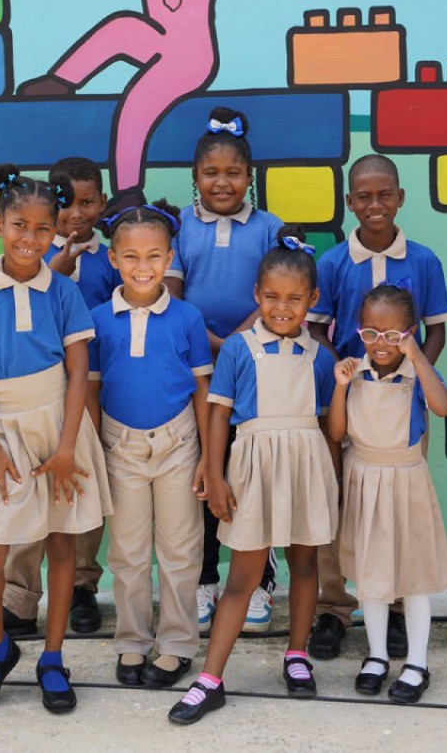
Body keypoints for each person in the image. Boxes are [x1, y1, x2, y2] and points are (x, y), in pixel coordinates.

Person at [0, 165, 112, 715]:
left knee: (61, 540)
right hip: (4, 427)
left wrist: (68, 447)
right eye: (19, 225)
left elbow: (78, 372)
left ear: (55, 232)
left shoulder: (63, 292)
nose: (30, 238)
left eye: (43, 229)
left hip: (59, 426)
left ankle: (52, 655)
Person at [168, 228, 338, 725]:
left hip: (306, 468)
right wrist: (216, 477)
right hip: (253, 468)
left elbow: (329, 426)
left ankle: (297, 655)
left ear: (312, 299)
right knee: (242, 576)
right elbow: (219, 414)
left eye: (293, 299)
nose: (281, 308)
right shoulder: (241, 348)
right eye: (270, 297)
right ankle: (211, 678)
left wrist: (334, 480)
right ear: (256, 296)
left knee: (306, 566)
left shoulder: (318, 356)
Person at [306, 153, 447, 659]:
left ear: (400, 197)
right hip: (346, 403)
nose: (375, 204)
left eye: (384, 194)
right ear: (349, 202)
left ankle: (389, 607)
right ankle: (334, 607)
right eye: (363, 196)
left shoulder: (424, 260)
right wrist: (343, 373)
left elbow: (437, 331)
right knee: (340, 502)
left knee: (395, 507)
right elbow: (317, 327)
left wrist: (412, 375)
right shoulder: (332, 262)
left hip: (402, 410)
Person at [17, 0, 279, 209]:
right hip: (160, 41)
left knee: (136, 103)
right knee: (121, 26)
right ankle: (61, 80)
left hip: (191, 59)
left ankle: (128, 190)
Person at [167, 106, 285, 635]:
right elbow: (169, 294)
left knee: (249, 470)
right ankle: (207, 578)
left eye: (233, 173)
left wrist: (232, 339)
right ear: (195, 178)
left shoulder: (269, 228)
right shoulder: (180, 228)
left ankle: (258, 579)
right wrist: (206, 340)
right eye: (211, 173)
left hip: (255, 368)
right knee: (203, 473)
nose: (222, 182)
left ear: (249, 177)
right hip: (194, 372)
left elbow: (278, 295)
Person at [88, 200, 212, 688]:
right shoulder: (98, 318)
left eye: (155, 256)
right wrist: (95, 447)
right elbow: (91, 387)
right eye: (133, 257)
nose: (144, 267)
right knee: (128, 552)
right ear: (115, 259)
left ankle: (178, 642)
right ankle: (133, 641)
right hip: (119, 445)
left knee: (181, 550)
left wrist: (206, 453)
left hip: (179, 441)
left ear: (170, 258)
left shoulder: (187, 317)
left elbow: (202, 387)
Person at [327, 285, 447, 705]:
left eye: (393, 335)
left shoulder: (419, 374)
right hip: (365, 476)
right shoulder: (354, 372)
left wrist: (417, 355)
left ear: (410, 333)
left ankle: (417, 661)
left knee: (413, 576)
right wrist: (341, 386)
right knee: (371, 576)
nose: (381, 344)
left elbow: (443, 407)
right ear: (360, 331)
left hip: (406, 479)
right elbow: (337, 433)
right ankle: (377, 655)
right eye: (371, 333)